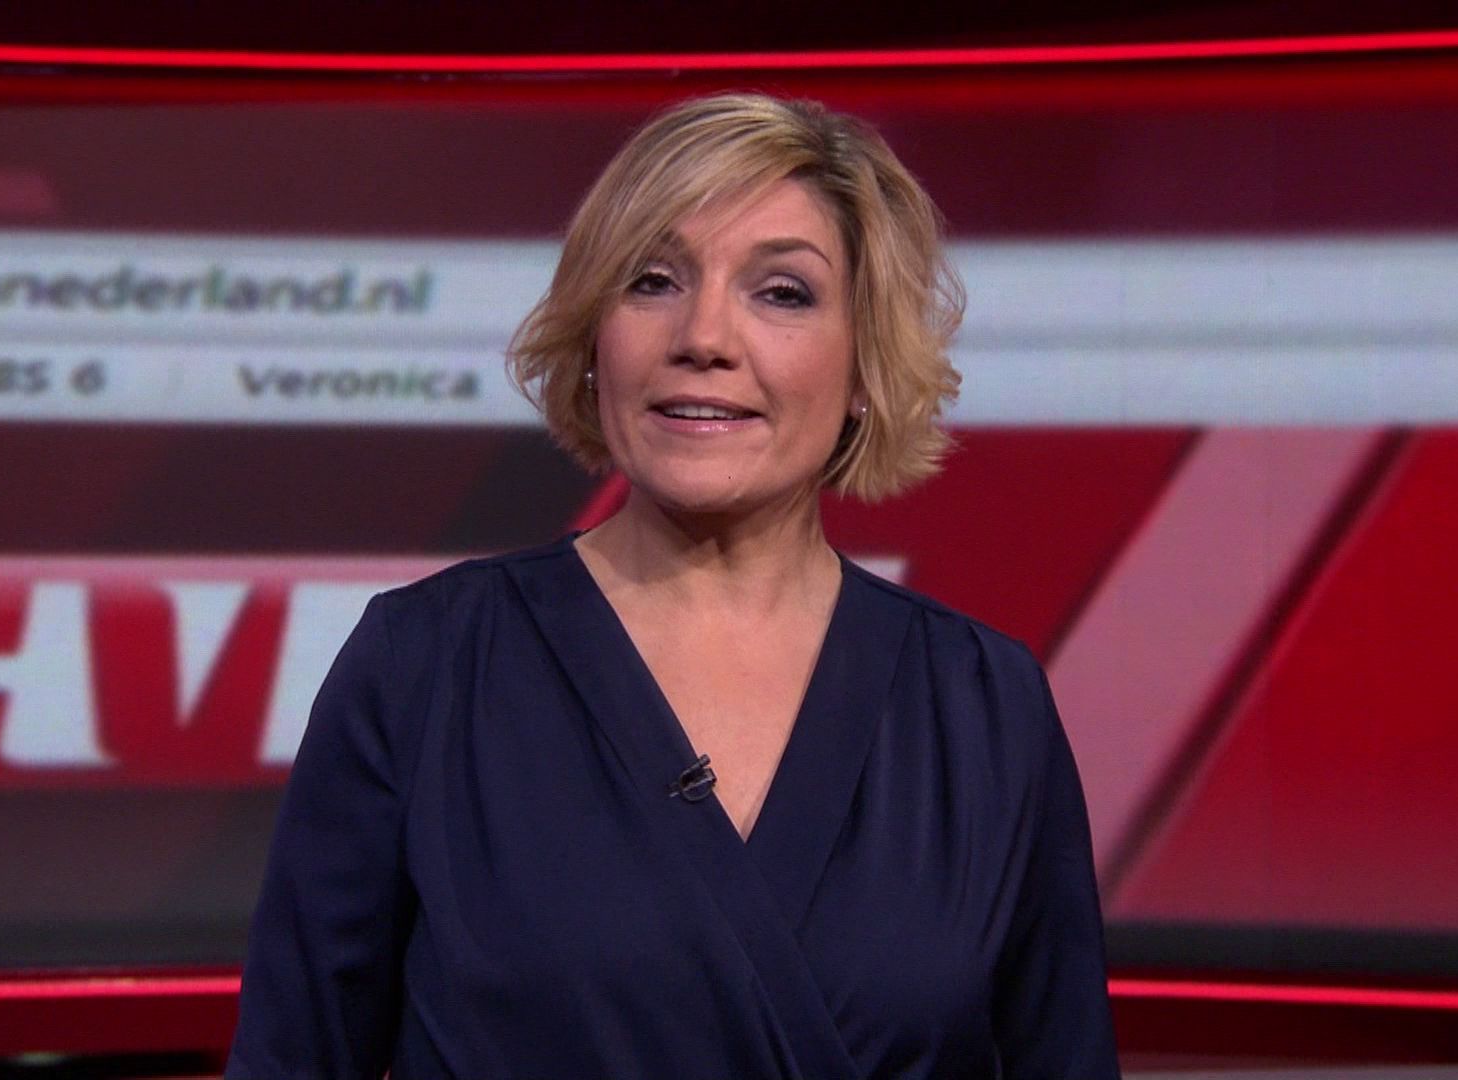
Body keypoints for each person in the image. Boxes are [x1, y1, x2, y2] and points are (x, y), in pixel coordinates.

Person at [227, 92, 1120, 1079]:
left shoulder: (983, 706)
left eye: (782, 292)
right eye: (652, 281)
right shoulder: (425, 666)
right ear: (594, 341)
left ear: (866, 362)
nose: (703, 336)